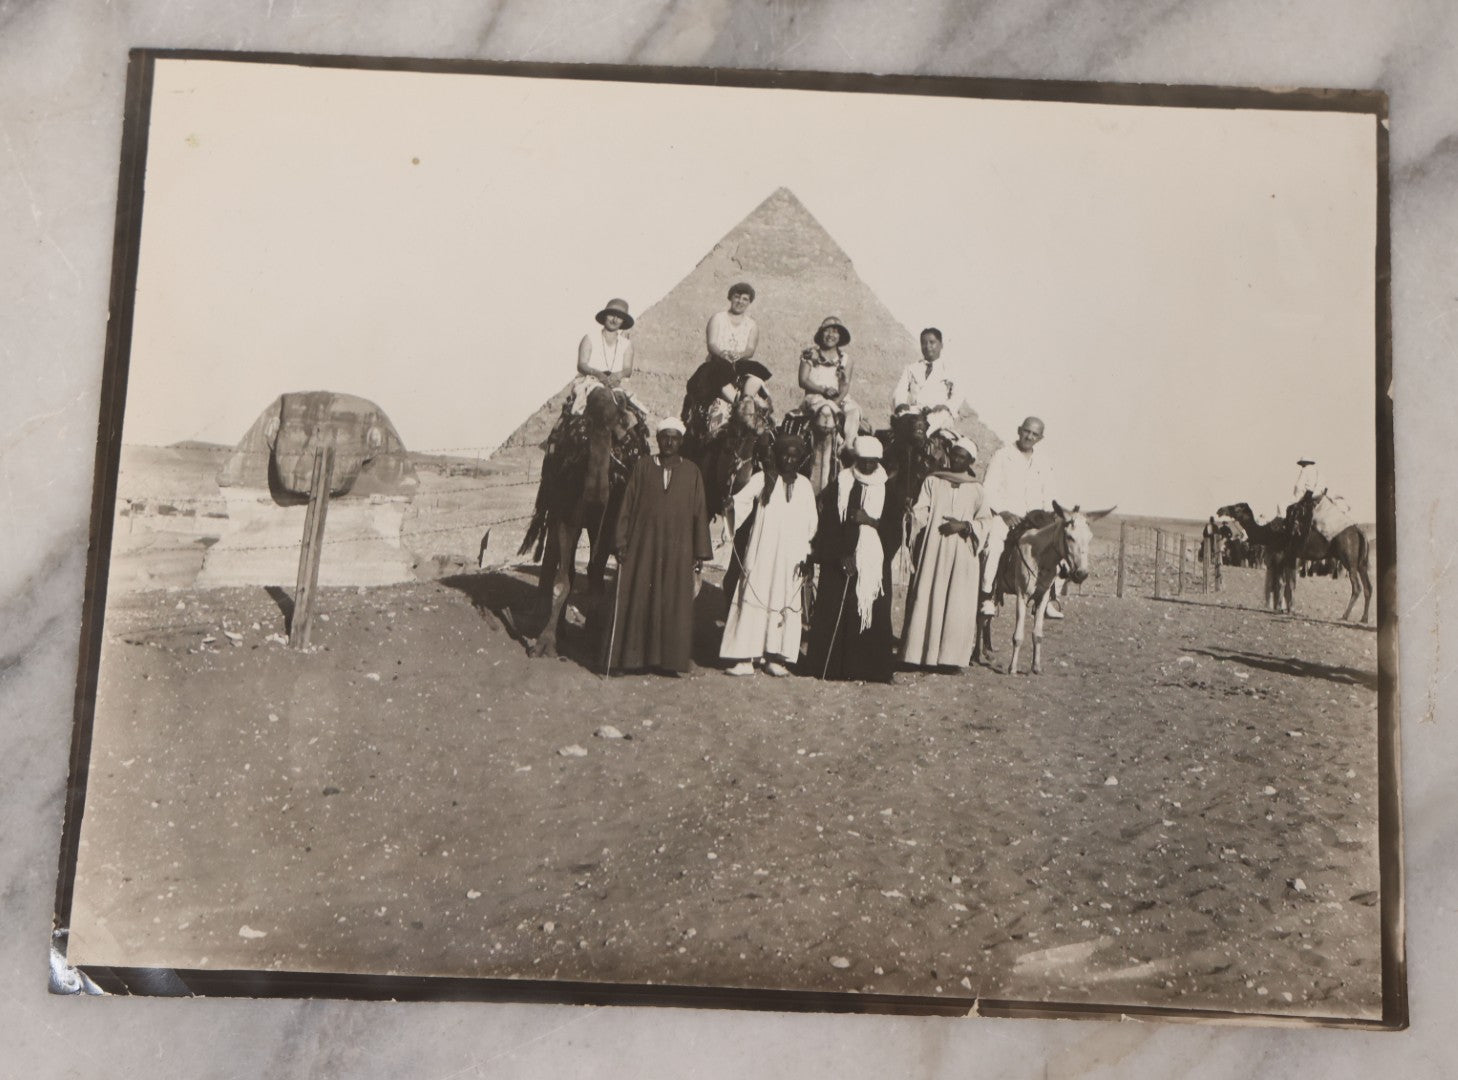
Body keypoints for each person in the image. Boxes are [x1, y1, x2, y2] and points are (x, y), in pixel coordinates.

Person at [608, 417, 712, 675]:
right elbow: (627, 506)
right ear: (657, 439)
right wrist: (620, 542)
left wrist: (699, 552)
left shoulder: (692, 472)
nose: (669, 442)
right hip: (643, 548)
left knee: (672, 602)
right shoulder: (643, 467)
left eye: (674, 438)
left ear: (681, 441)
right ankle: (629, 660)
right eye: (665, 436)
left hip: (678, 551)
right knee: (637, 598)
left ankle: (668, 663)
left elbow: (699, 512)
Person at [718, 431, 819, 677]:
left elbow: (811, 524)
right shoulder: (763, 479)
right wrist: (731, 506)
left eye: (795, 456)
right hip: (762, 552)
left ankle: (775, 656)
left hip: (790, 556)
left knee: (783, 598)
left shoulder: (805, 486)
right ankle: (744, 657)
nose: (789, 460)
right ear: (777, 455)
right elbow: (741, 502)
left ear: (801, 459)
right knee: (755, 593)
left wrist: (807, 554)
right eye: (785, 454)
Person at [803, 436, 895, 683]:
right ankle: (830, 668)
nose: (866, 467)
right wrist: (841, 555)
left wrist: (869, 521)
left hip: (873, 565)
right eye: (862, 462)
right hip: (840, 561)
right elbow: (829, 522)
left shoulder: (888, 487)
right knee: (834, 609)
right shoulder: (842, 482)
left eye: (872, 463)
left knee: (870, 615)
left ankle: (867, 670)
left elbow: (894, 530)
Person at [900, 435, 988, 670]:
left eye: (963, 456)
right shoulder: (933, 482)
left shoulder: (977, 489)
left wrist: (965, 526)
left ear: (970, 460)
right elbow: (922, 510)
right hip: (934, 549)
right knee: (929, 595)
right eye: (955, 454)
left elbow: (985, 520)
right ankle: (920, 656)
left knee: (957, 602)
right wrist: (912, 518)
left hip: (963, 553)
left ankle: (950, 659)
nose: (957, 459)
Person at [978, 416, 1063, 623]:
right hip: (1008, 516)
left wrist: (1049, 518)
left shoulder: (1043, 462)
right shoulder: (1002, 455)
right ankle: (987, 595)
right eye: (1027, 431)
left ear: (1040, 438)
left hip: (1036, 519)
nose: (1029, 436)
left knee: (1059, 547)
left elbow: (1049, 494)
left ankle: (1050, 597)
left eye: (1035, 434)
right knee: (994, 544)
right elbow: (988, 489)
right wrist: (1004, 512)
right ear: (1019, 430)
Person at [682, 284, 771, 443]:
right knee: (720, 369)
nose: (740, 301)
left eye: (745, 299)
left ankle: (746, 401)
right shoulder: (718, 318)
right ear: (730, 297)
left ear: (749, 302)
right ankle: (737, 403)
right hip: (718, 362)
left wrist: (739, 355)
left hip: (740, 363)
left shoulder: (752, 325)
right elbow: (712, 344)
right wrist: (723, 354)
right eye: (737, 297)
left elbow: (750, 349)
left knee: (758, 370)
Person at [566, 298, 646, 419]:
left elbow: (627, 369)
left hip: (615, 384)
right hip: (590, 383)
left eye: (619, 317)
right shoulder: (590, 338)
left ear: (623, 321)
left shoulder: (626, 344)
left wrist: (618, 375)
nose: (614, 320)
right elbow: (582, 364)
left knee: (628, 411)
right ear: (605, 316)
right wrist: (598, 374)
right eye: (611, 315)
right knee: (600, 398)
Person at [797, 316, 862, 443]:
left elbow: (845, 385)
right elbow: (803, 380)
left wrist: (837, 401)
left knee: (853, 410)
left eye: (835, 331)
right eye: (827, 331)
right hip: (815, 398)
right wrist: (823, 390)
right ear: (821, 333)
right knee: (825, 410)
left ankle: (847, 444)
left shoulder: (846, 359)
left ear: (840, 336)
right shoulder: (810, 355)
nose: (831, 335)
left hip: (839, 399)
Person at [892, 328, 969, 416]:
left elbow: (959, 393)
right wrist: (900, 404)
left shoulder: (950, 369)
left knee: (941, 417)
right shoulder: (911, 368)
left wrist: (947, 406)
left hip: (937, 413)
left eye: (932, 342)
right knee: (904, 417)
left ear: (941, 345)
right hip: (914, 412)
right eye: (924, 343)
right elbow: (900, 391)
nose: (928, 346)